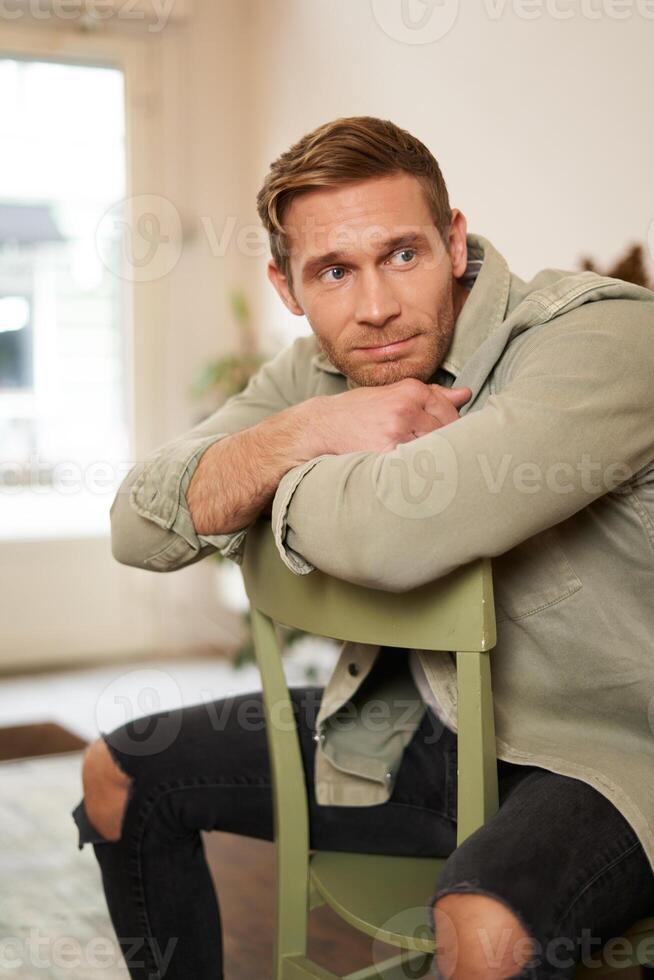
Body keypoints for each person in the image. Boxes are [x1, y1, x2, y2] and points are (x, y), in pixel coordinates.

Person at [72, 116, 654, 980]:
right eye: (334, 271)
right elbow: (138, 525)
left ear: (454, 242)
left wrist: (264, 482)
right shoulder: (316, 376)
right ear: (286, 286)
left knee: (484, 927)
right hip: (422, 725)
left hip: (610, 755)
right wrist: (313, 427)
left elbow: (396, 537)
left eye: (403, 255)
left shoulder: (605, 339)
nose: (375, 304)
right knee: (118, 773)